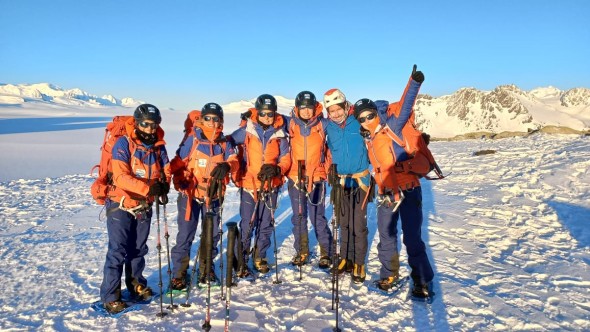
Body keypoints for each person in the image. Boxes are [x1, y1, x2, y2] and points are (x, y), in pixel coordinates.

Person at [354, 65, 435, 299]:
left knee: (411, 237)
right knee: (386, 236)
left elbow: (406, 104)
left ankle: (422, 280)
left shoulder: (392, 125)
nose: (367, 120)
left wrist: (414, 82)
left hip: (409, 191)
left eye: (370, 115)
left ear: (376, 113)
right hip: (387, 193)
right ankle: (389, 274)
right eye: (362, 118)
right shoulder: (368, 138)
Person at [100, 104, 171, 314]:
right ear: (137, 122)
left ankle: (136, 284)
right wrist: (150, 188)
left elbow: (165, 168)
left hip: (143, 205)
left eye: (154, 125)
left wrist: (165, 184)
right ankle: (111, 295)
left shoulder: (158, 146)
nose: (149, 129)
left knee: (138, 248)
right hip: (121, 203)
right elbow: (121, 176)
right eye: (145, 124)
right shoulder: (124, 143)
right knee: (117, 250)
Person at [169, 103, 238, 290]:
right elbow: (176, 163)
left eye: (216, 118)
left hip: (214, 195)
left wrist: (228, 167)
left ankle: (207, 270)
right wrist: (167, 180)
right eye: (208, 118)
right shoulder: (192, 140)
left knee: (212, 235)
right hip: (190, 195)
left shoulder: (225, 143)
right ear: (201, 119)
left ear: (221, 121)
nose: (212, 122)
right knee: (185, 235)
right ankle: (178, 274)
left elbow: (234, 161)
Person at [230, 94, 291, 276]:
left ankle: (260, 256)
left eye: (270, 114)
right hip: (250, 185)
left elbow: (285, 158)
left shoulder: (280, 133)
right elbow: (228, 143)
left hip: (271, 185)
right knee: (248, 223)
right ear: (257, 113)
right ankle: (241, 258)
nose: (267, 117)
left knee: (266, 223)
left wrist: (277, 169)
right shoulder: (247, 130)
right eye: (263, 113)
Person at [322, 88, 372, 284]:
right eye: (331, 111)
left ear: (345, 106)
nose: (335, 114)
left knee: (358, 225)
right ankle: (345, 258)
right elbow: (325, 152)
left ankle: (359, 262)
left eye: (338, 109)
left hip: (360, 180)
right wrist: (329, 172)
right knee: (343, 223)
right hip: (340, 181)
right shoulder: (329, 128)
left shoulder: (358, 122)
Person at [285, 91, 333, 268]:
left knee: (317, 216)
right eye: (303, 108)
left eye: (309, 108)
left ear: (315, 108)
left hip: (317, 177)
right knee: (299, 216)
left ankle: (326, 252)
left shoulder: (323, 124)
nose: (306, 112)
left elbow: (338, 133)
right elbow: (267, 121)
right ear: (297, 108)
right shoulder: (289, 124)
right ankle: (302, 250)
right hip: (295, 177)